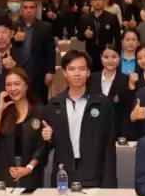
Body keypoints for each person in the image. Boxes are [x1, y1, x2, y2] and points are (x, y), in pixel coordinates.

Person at [41, 51, 117, 188]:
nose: (77, 74)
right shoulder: (54, 104)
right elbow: (47, 145)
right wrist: (48, 138)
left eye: (82, 69)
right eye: (71, 69)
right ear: (65, 73)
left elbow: (109, 146)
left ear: (88, 72)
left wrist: (109, 184)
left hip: (94, 175)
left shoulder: (102, 103)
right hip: (63, 174)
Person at [0, 68, 49, 188]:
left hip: (30, 174)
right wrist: (0, 109)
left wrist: (29, 167)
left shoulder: (40, 111)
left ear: (26, 85)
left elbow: (42, 145)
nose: (13, 89)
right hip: (3, 174)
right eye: (8, 85)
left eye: (17, 84)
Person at [12, 0, 55, 101]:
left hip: (39, 71)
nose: (28, 10)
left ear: (36, 10)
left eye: (31, 7)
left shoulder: (45, 27)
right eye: (25, 7)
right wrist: (13, 39)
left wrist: (51, 71)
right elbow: (5, 47)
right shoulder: (13, 26)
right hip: (19, 70)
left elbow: (51, 51)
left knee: (39, 101)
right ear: (21, 10)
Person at [87, 45, 134, 137]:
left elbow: (126, 109)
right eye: (106, 57)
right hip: (93, 129)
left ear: (120, 58)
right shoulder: (91, 78)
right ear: (101, 58)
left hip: (116, 130)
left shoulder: (126, 80)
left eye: (114, 57)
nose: (110, 60)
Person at [79, 0, 121, 71]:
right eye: (95, 0)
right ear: (91, 2)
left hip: (108, 54)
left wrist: (117, 54)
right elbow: (79, 36)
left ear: (104, 1)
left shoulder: (112, 17)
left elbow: (118, 38)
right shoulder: (85, 18)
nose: (97, 2)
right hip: (91, 54)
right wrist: (85, 34)